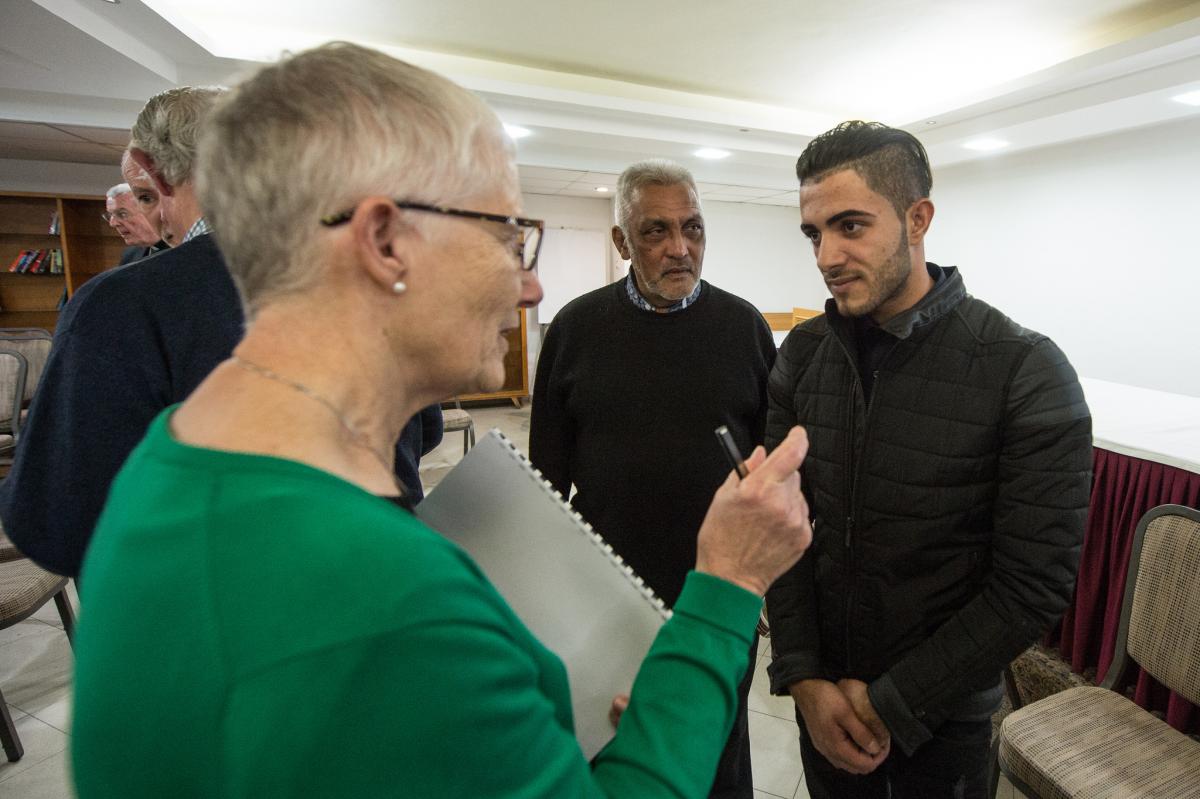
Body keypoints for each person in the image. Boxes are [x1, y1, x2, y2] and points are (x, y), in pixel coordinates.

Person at [68, 42, 814, 798]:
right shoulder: (397, 608)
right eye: (506, 237)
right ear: (386, 241)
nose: (529, 285)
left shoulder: (165, 466)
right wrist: (728, 582)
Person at [764, 121, 1093, 798]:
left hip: (941, 726)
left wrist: (891, 700)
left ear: (918, 219)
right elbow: (781, 528)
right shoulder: (800, 356)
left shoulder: (1025, 369)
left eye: (850, 226)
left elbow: (1032, 582)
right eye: (814, 233)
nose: (827, 255)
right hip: (821, 704)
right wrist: (803, 678)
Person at [0, 84, 443, 577]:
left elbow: (61, 523)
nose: (153, 219)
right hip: (384, 580)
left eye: (146, 196)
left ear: (161, 172)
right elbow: (426, 431)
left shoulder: (123, 304)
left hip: (230, 614)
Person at [529, 159, 777, 797]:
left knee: (718, 748)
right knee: (618, 742)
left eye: (692, 228)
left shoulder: (745, 328)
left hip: (718, 592)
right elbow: (546, 481)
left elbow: (770, 472)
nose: (679, 247)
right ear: (621, 242)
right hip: (608, 593)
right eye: (655, 231)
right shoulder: (576, 331)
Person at [102, 183, 161, 261]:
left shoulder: (180, 251)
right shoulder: (130, 254)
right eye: (110, 215)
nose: (113, 223)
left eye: (122, 214)